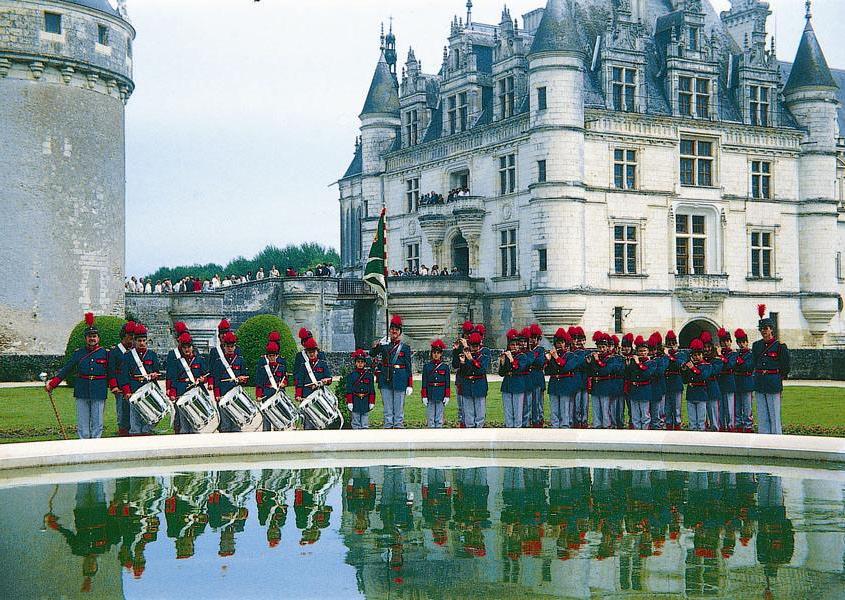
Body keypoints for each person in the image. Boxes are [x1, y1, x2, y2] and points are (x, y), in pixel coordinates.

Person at [46, 313, 111, 439]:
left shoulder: (105, 353)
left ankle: (96, 445)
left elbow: (112, 373)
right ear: (85, 338)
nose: (92, 339)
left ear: (98, 338)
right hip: (82, 390)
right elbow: (66, 369)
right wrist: (53, 384)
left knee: (97, 423)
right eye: (89, 336)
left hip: (98, 390)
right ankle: (83, 444)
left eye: (94, 336)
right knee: (82, 423)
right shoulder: (79, 353)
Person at [752, 305, 790, 434]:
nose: (763, 331)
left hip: (773, 382)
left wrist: (778, 378)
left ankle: (776, 438)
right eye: (761, 329)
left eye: (766, 328)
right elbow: (754, 363)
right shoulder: (756, 345)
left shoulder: (779, 346)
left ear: (771, 329)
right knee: (762, 415)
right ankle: (763, 438)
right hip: (760, 382)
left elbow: (785, 366)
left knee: (774, 415)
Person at [370, 315, 413, 429]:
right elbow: (372, 354)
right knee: (387, 407)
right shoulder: (384, 345)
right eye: (392, 329)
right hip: (385, 378)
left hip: (400, 379)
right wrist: (377, 345)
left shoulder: (405, 348)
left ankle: (398, 425)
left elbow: (408, 367)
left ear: (400, 332)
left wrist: (409, 384)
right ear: (389, 331)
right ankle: (388, 425)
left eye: (397, 330)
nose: (394, 331)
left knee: (399, 406)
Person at [120, 323, 162, 436]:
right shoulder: (128, 356)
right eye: (139, 341)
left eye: (144, 340)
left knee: (154, 413)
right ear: (134, 341)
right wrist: (127, 391)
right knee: (135, 417)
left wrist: (155, 375)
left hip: (149, 389)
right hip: (134, 389)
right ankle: (136, 434)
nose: (142, 343)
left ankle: (146, 431)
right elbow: (124, 375)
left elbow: (157, 371)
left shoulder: (152, 355)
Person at [166, 331, 209, 434]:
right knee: (184, 423)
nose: (187, 349)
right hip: (182, 392)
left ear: (192, 347)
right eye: (184, 347)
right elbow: (174, 379)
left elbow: (206, 375)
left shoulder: (199, 360)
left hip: (195, 392)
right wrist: (172, 393)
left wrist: (203, 380)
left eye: (188, 347)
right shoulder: (178, 362)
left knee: (195, 421)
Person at [210, 331, 249, 432]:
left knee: (237, 422)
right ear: (224, 347)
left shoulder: (240, 360)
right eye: (228, 346)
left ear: (235, 347)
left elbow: (245, 377)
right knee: (225, 424)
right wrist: (217, 394)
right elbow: (216, 380)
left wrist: (242, 379)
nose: (230, 348)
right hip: (223, 393)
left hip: (236, 394)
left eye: (232, 346)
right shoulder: (219, 361)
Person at [544, 328, 584, 428]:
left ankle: (565, 426)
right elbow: (548, 371)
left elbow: (567, 367)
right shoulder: (552, 355)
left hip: (565, 384)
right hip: (554, 384)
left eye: (561, 342)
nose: (559, 345)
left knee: (565, 408)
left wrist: (556, 358)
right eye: (558, 343)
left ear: (565, 343)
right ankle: (555, 425)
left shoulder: (570, 355)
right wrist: (548, 360)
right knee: (554, 409)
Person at [585, 332, 623, 429]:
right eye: (599, 347)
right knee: (596, 408)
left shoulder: (611, 358)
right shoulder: (593, 357)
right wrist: (589, 363)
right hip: (596, 385)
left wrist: (597, 361)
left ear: (607, 347)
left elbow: (605, 370)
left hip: (606, 385)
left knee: (605, 408)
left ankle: (607, 425)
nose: (601, 349)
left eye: (603, 347)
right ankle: (597, 425)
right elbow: (590, 372)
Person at [294, 337, 333, 429]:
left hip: (320, 395)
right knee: (308, 423)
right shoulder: (303, 366)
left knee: (321, 421)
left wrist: (325, 381)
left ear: (317, 352)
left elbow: (329, 379)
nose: (311, 354)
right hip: (307, 396)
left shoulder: (322, 364)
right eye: (309, 352)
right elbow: (299, 382)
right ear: (307, 353)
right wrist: (298, 395)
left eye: (313, 352)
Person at [255, 333, 288, 431]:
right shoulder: (263, 365)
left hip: (278, 393)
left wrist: (284, 384)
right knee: (267, 418)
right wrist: (259, 394)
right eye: (270, 355)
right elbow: (259, 381)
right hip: (267, 393)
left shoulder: (281, 364)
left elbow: (285, 377)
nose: (272, 357)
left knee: (279, 416)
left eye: (274, 355)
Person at [108, 320, 136, 437]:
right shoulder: (115, 352)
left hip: (133, 386)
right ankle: (123, 432)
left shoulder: (134, 352)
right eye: (130, 335)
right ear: (124, 336)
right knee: (122, 412)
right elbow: (111, 371)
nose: (132, 338)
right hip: (120, 388)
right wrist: (114, 386)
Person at [624, 336, 658, 430]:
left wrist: (638, 363)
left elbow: (646, 374)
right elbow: (629, 375)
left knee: (645, 414)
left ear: (648, 351)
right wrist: (628, 364)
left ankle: (645, 431)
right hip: (634, 390)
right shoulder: (632, 362)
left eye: (644, 351)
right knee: (635, 415)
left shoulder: (651, 362)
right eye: (640, 351)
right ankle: (637, 430)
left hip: (644, 390)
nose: (642, 353)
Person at [498, 328, 530, 428]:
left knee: (518, 410)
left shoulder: (522, 356)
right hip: (507, 384)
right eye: (512, 345)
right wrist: (502, 362)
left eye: (517, 345)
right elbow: (501, 373)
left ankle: (517, 428)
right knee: (508, 410)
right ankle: (509, 427)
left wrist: (511, 359)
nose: (515, 347)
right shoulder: (507, 355)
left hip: (518, 384)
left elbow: (519, 369)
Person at [457, 332, 490, 428]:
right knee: (468, 414)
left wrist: (471, 359)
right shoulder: (465, 354)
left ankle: (479, 429)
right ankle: (469, 430)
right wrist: (462, 363)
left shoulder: (484, 355)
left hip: (479, 385)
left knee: (480, 413)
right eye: (472, 346)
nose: (474, 348)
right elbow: (462, 373)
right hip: (467, 385)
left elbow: (482, 370)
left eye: (476, 346)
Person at [421, 339, 451, 428]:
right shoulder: (427, 366)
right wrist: (424, 396)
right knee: (430, 417)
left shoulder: (445, 367)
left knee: (439, 417)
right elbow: (424, 382)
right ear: (431, 354)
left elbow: (447, 382)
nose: (436, 354)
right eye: (434, 352)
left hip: (440, 393)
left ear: (441, 354)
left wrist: (447, 395)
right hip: (430, 392)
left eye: (438, 353)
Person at [681, 339, 710, 431]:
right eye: (694, 355)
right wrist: (684, 370)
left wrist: (693, 368)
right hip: (691, 394)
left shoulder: (706, 365)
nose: (697, 357)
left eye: (699, 355)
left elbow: (703, 376)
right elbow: (685, 380)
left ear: (702, 355)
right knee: (692, 421)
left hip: (701, 394)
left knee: (701, 421)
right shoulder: (690, 366)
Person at [345, 349, 375, 430]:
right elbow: (349, 390)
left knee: (365, 423)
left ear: (365, 363)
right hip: (356, 400)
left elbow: (372, 390)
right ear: (355, 363)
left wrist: (371, 402)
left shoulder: (369, 375)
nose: (360, 364)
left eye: (362, 362)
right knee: (355, 422)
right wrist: (350, 402)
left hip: (365, 400)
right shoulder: (351, 376)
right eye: (358, 362)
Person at [663, 330, 687, 431]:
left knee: (677, 409)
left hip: (676, 383)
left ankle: (677, 425)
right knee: (667, 408)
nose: (672, 346)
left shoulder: (681, 354)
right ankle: (668, 425)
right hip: (666, 384)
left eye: (673, 344)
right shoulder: (664, 355)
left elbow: (679, 364)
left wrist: (669, 356)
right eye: (669, 344)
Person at [453, 321, 474, 428]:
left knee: (471, 405)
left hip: (471, 379)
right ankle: (462, 423)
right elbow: (455, 365)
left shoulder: (474, 346)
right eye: (466, 334)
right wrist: (455, 351)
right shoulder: (459, 347)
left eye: (470, 334)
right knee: (461, 404)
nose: (468, 336)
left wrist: (466, 347)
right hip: (461, 378)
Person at [716, 328, 739, 432]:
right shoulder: (718, 353)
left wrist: (720, 356)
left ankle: (730, 427)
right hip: (720, 382)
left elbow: (729, 365)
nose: (725, 343)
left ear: (730, 341)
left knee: (730, 408)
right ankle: (722, 427)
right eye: (723, 341)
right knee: (720, 408)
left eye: (727, 341)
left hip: (729, 382)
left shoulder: (733, 354)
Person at [733, 328, 754, 433]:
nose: (741, 345)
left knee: (747, 407)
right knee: (737, 407)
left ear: (747, 342)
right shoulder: (737, 354)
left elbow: (748, 367)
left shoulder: (750, 354)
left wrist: (739, 362)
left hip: (746, 382)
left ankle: (748, 425)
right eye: (739, 343)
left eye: (743, 342)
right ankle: (738, 424)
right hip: (738, 381)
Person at [526, 324, 546, 428]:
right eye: (531, 338)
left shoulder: (540, 350)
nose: (532, 340)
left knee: (537, 402)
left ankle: (538, 421)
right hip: (528, 378)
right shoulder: (527, 350)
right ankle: (529, 420)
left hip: (537, 378)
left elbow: (540, 362)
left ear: (538, 339)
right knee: (528, 402)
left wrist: (530, 360)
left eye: (534, 338)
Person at [648, 332, 669, 430]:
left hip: (659, 386)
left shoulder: (662, 358)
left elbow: (660, 371)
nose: (652, 352)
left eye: (654, 349)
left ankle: (659, 426)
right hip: (649, 386)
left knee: (659, 410)